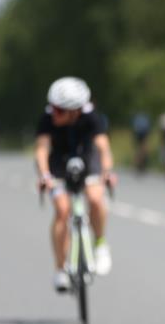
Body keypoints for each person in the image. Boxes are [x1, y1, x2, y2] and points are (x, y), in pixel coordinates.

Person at [34, 77, 117, 291]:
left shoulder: (90, 118)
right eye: (52, 108)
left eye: (59, 110)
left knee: (96, 199)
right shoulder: (48, 117)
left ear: (75, 111)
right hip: (59, 164)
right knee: (62, 210)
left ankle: (100, 245)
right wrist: (44, 174)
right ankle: (60, 269)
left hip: (87, 161)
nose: (54, 113)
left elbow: (103, 147)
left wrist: (107, 172)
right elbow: (42, 149)